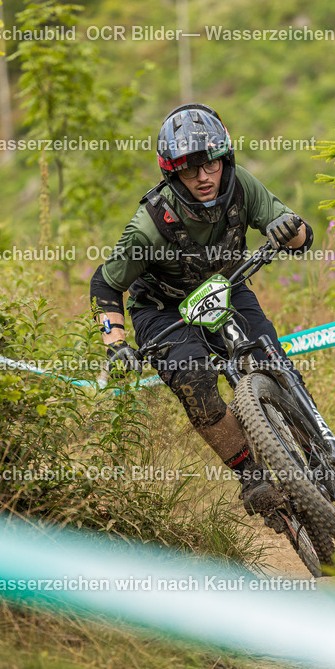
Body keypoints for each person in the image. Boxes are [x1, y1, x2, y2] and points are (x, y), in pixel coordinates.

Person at [89, 103, 313, 515]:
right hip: (163, 309)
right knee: (195, 382)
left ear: (224, 159)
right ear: (172, 172)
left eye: (210, 164)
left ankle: (317, 449)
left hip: (225, 287)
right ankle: (251, 476)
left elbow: (297, 233)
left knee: (271, 358)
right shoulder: (150, 223)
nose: (204, 177)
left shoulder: (241, 185)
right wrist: (116, 342)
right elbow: (105, 282)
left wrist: (292, 229)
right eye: (189, 169)